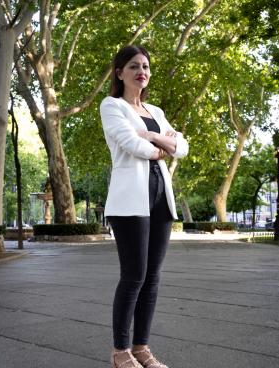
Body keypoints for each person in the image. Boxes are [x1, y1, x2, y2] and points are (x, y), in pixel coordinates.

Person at [100, 45, 189, 368]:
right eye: (134, 66)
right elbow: (132, 145)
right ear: (119, 72)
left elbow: (182, 148)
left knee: (152, 277)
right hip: (129, 200)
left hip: (160, 197)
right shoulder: (112, 106)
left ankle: (141, 348)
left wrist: (151, 136)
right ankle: (120, 351)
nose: (142, 71)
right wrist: (159, 142)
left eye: (146, 66)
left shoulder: (156, 112)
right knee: (134, 275)